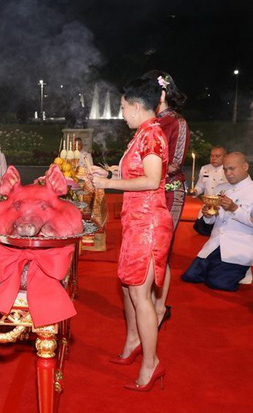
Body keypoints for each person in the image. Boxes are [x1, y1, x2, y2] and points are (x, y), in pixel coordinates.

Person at [91, 75, 172, 391]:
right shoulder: (143, 133)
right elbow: (136, 172)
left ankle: (151, 364)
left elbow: (152, 180)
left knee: (140, 294)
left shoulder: (152, 135)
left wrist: (108, 183)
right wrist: (109, 172)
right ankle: (134, 341)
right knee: (128, 288)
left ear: (137, 106)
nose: (122, 113)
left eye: (123, 107)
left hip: (148, 224)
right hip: (135, 221)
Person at [140, 70, 189, 334]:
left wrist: (143, 174)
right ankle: (147, 302)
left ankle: (160, 308)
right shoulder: (147, 120)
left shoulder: (176, 122)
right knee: (147, 249)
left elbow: (175, 163)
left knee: (162, 251)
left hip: (169, 192)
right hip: (148, 192)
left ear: (161, 93)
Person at [181, 152, 253, 291]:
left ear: (245, 167)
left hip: (239, 248)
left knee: (217, 284)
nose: (228, 173)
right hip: (215, 244)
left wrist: (234, 209)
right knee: (190, 276)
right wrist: (208, 215)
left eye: (232, 168)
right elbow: (212, 221)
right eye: (225, 169)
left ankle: (244, 270)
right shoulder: (221, 188)